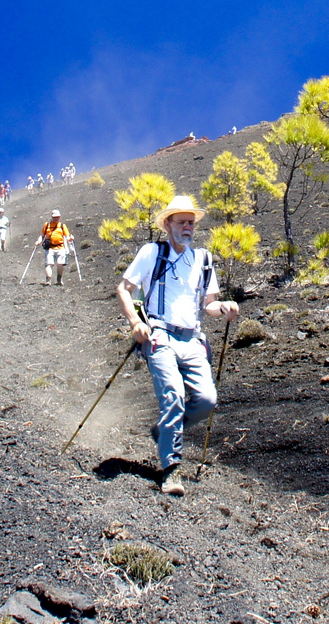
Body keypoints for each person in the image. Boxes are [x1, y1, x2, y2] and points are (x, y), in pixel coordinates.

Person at [116, 195, 240, 496]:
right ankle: (171, 470)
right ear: (167, 224)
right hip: (160, 335)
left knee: (207, 400)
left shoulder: (203, 259)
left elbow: (208, 305)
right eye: (181, 221)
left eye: (191, 222)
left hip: (193, 339)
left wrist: (223, 307)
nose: (187, 226)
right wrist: (136, 322)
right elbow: (124, 288)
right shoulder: (151, 252)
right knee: (172, 397)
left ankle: (164, 432)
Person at [41, 210, 71, 285]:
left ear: (59, 217)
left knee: (60, 264)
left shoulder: (62, 225)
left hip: (60, 248)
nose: (56, 218)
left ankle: (59, 278)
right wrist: (38, 241)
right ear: (52, 217)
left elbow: (67, 236)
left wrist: (70, 238)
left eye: (57, 217)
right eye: (54, 217)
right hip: (50, 248)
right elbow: (42, 235)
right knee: (49, 264)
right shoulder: (47, 225)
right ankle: (48, 280)